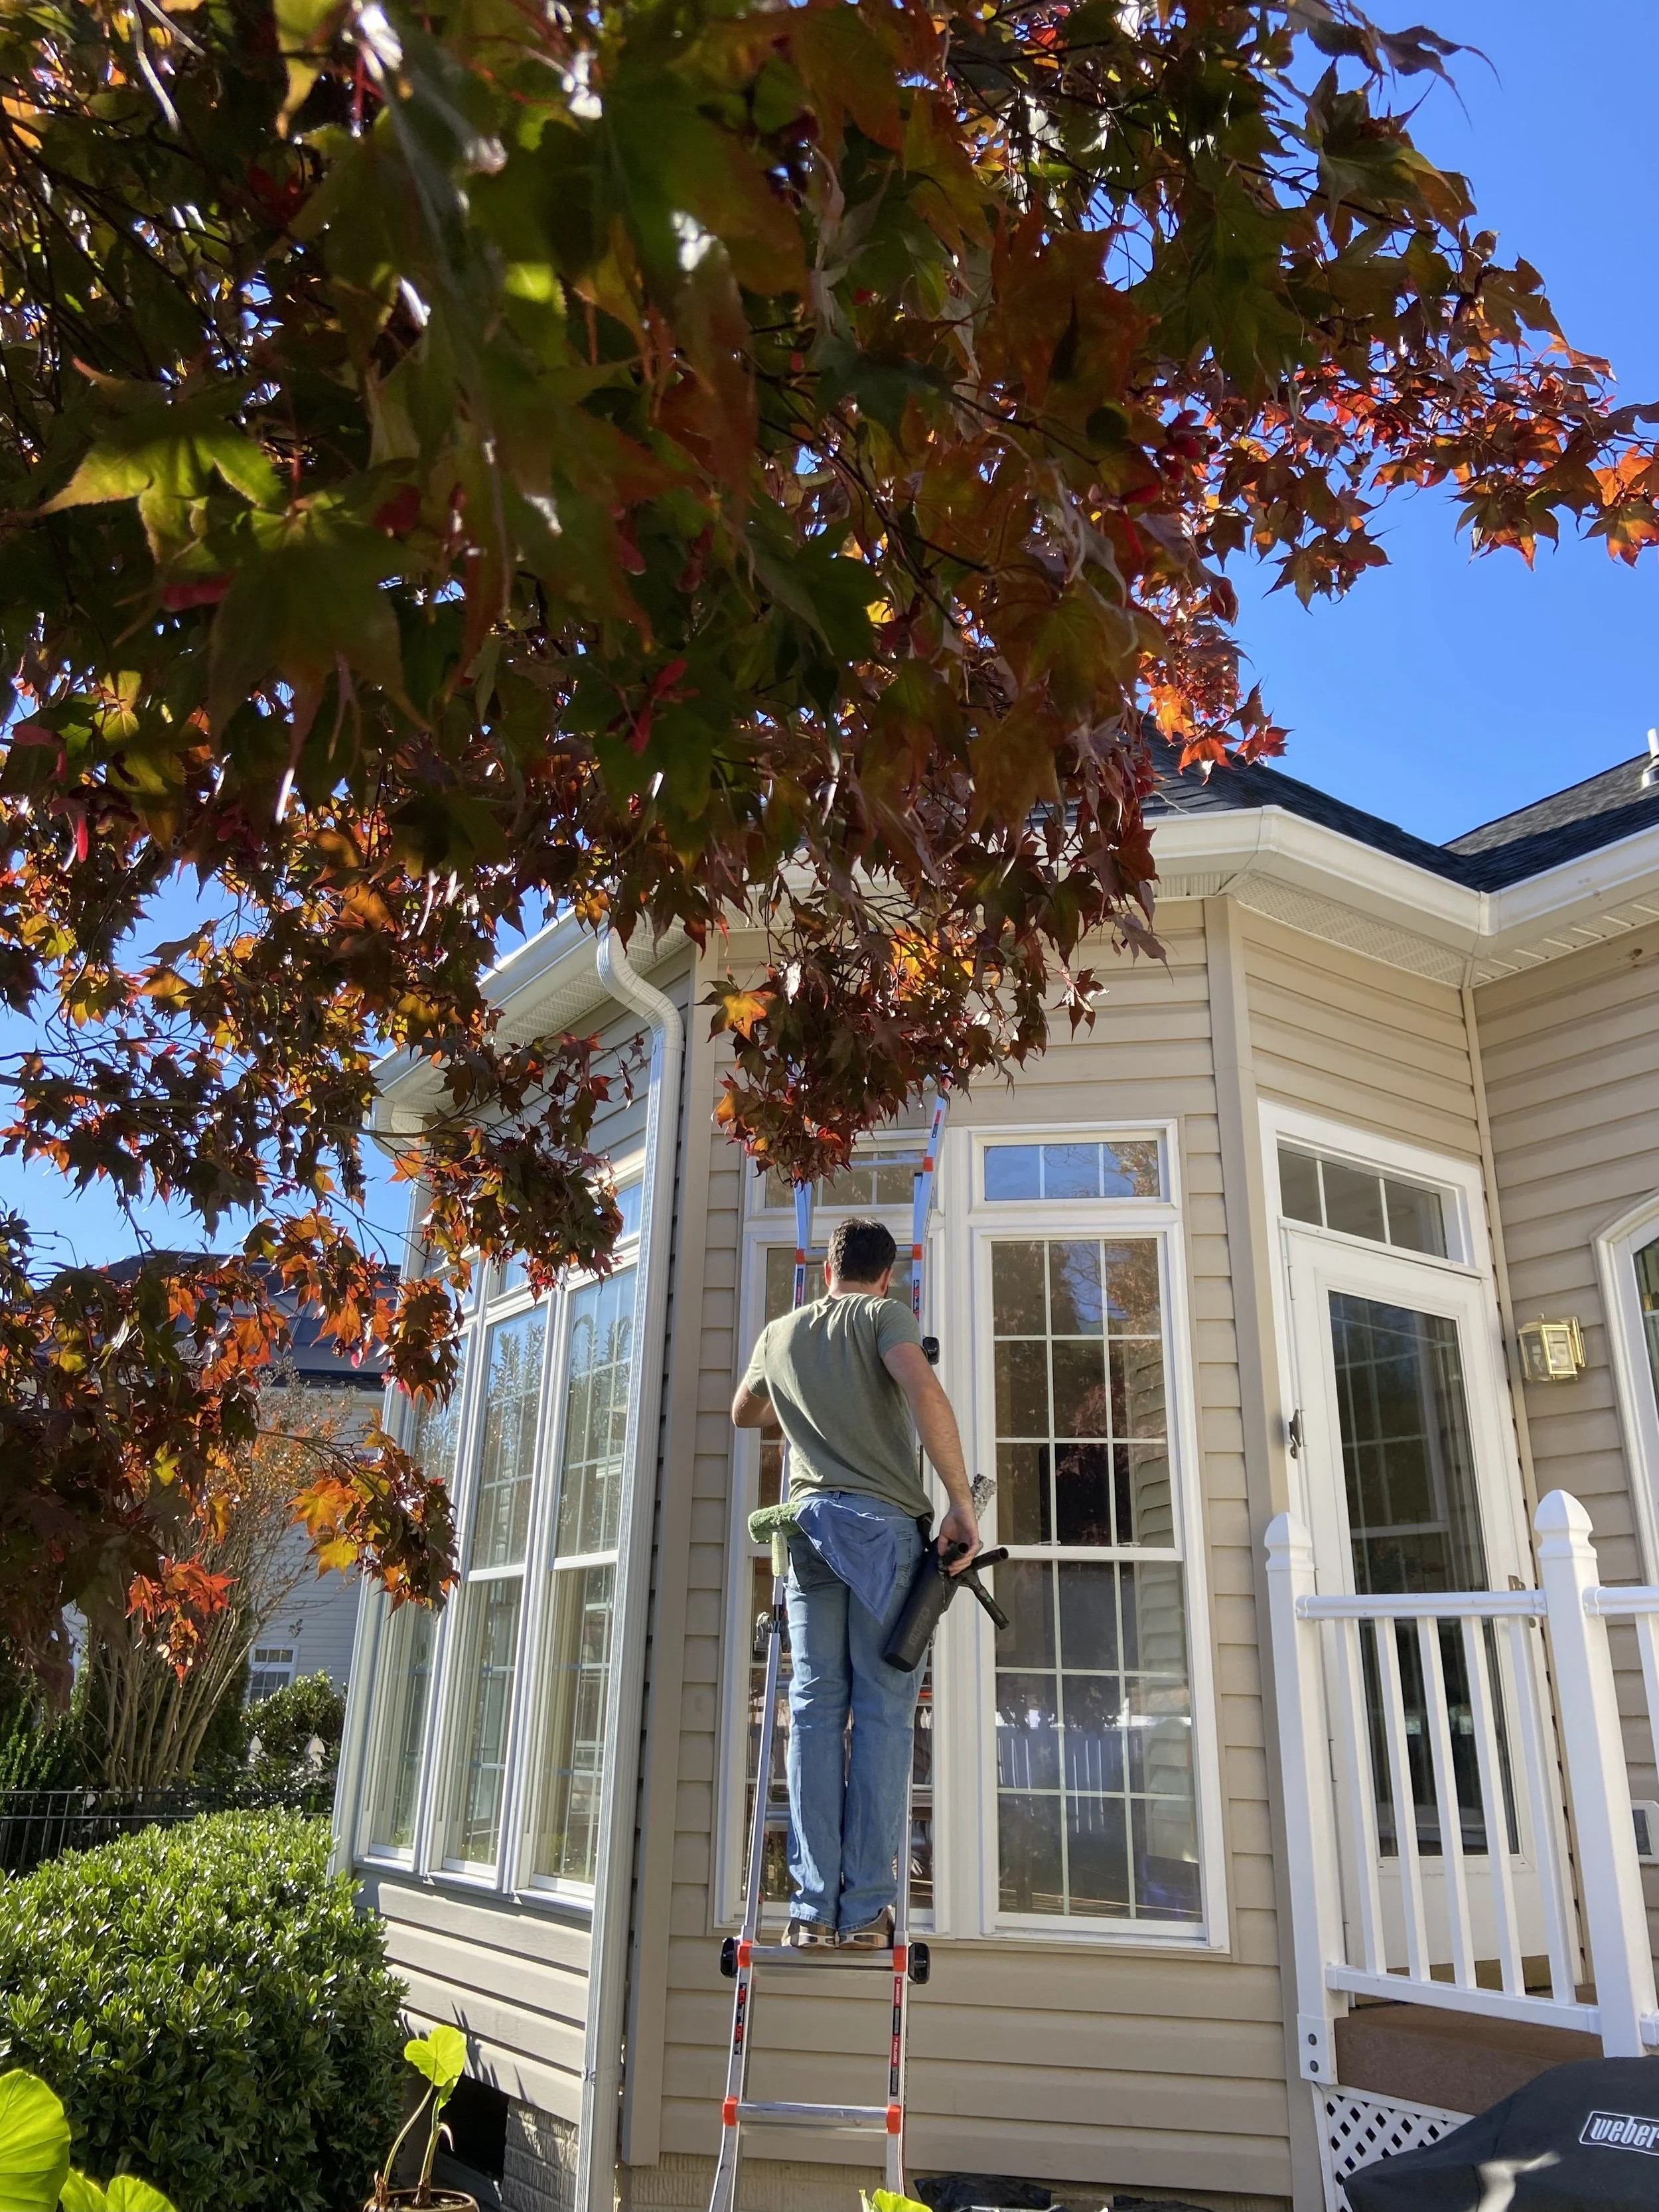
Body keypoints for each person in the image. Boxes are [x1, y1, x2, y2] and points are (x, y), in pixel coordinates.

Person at [731, 1216, 978, 1949]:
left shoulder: (781, 1333)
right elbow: (920, 1385)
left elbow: (745, 1411)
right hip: (880, 1537)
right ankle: (866, 1908)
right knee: (880, 1713)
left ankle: (811, 1910)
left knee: (811, 1712)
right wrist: (960, 1501)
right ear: (884, 1275)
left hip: (808, 1534)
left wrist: (811, 1396)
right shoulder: (885, 1316)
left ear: (829, 1268)